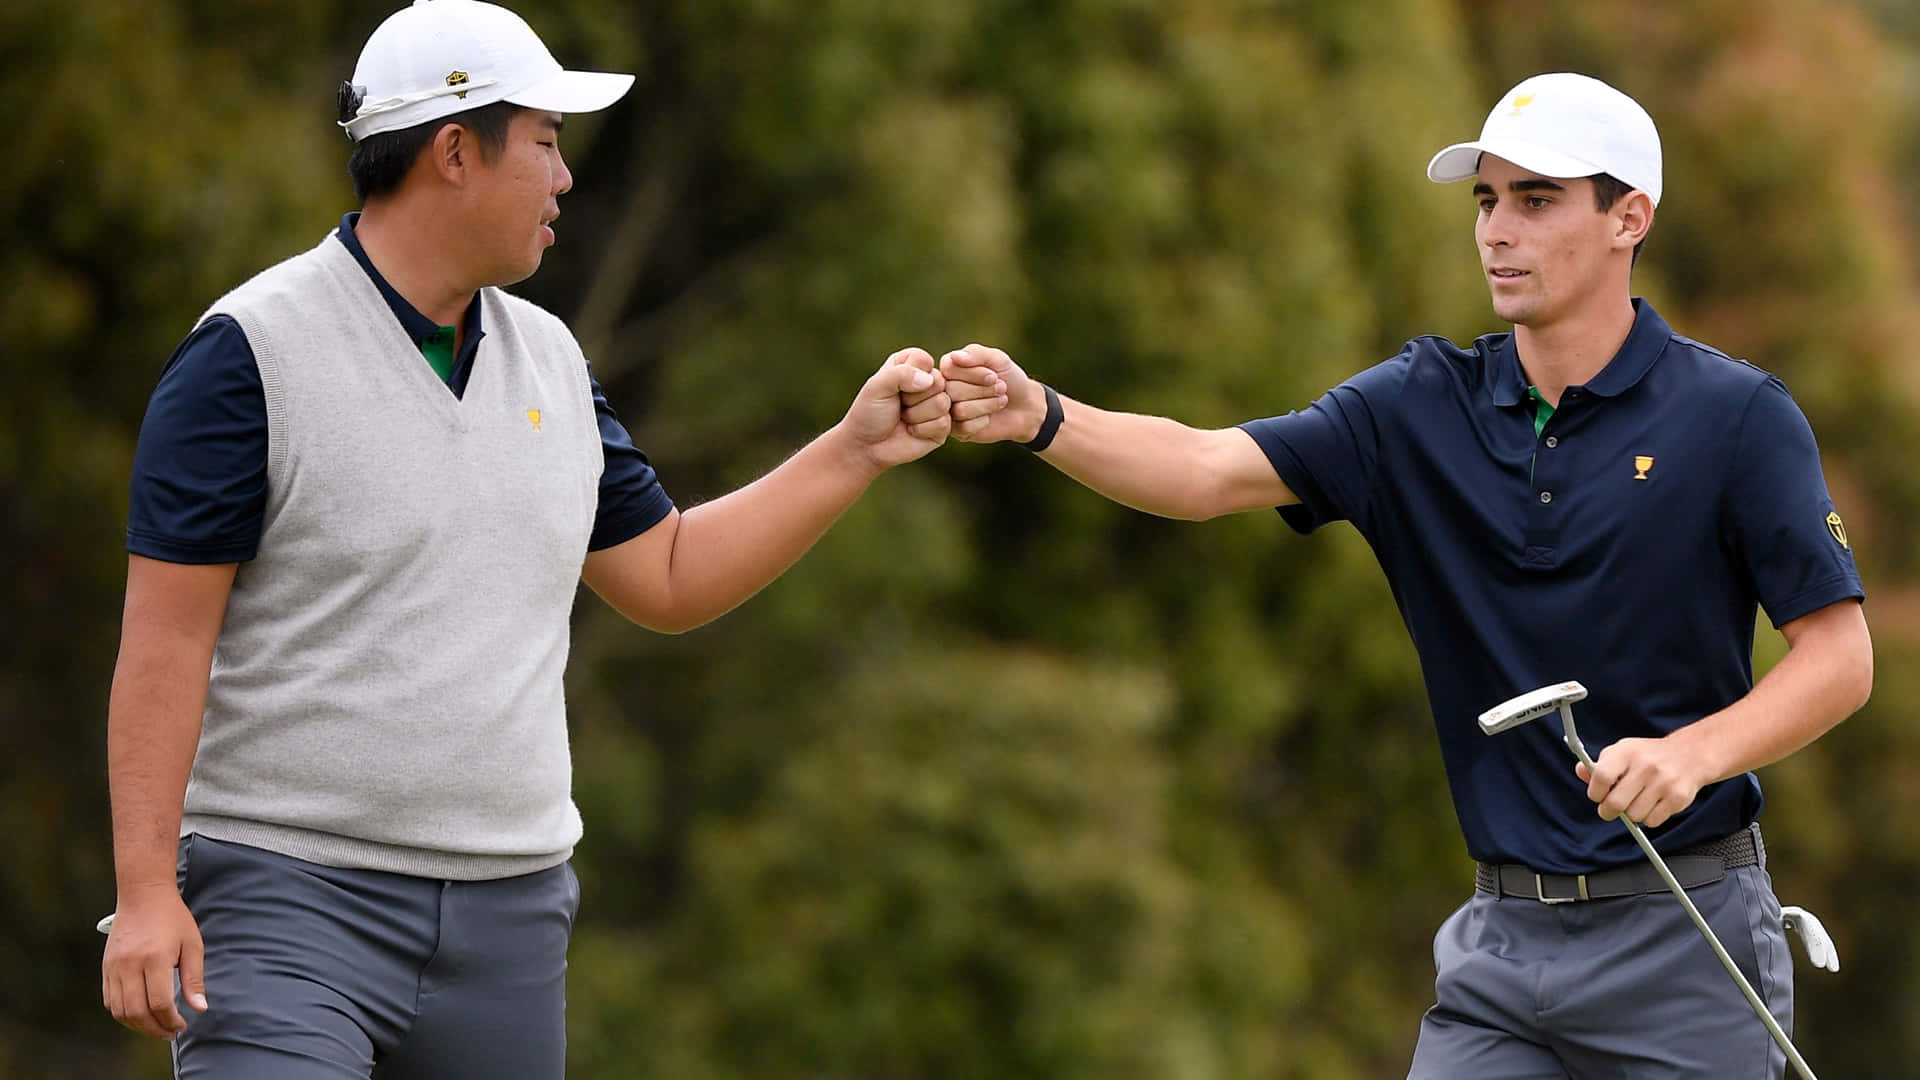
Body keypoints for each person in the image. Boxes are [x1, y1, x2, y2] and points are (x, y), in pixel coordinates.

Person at [942, 71, 1872, 1077]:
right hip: (1502, 955)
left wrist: (1693, 754)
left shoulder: (1736, 417)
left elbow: (1838, 659)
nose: (1496, 230)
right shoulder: (1419, 405)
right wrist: (1038, 415)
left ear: (1629, 218)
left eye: (1536, 199)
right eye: (1486, 200)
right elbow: (1206, 470)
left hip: (1687, 940)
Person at [99, 1, 968, 1075]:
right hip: (287, 903)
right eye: (548, 144)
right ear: (455, 150)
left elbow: (669, 575)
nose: (565, 179)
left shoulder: (552, 359)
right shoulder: (247, 354)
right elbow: (166, 642)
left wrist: (853, 450)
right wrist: (145, 893)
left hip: (509, 929)